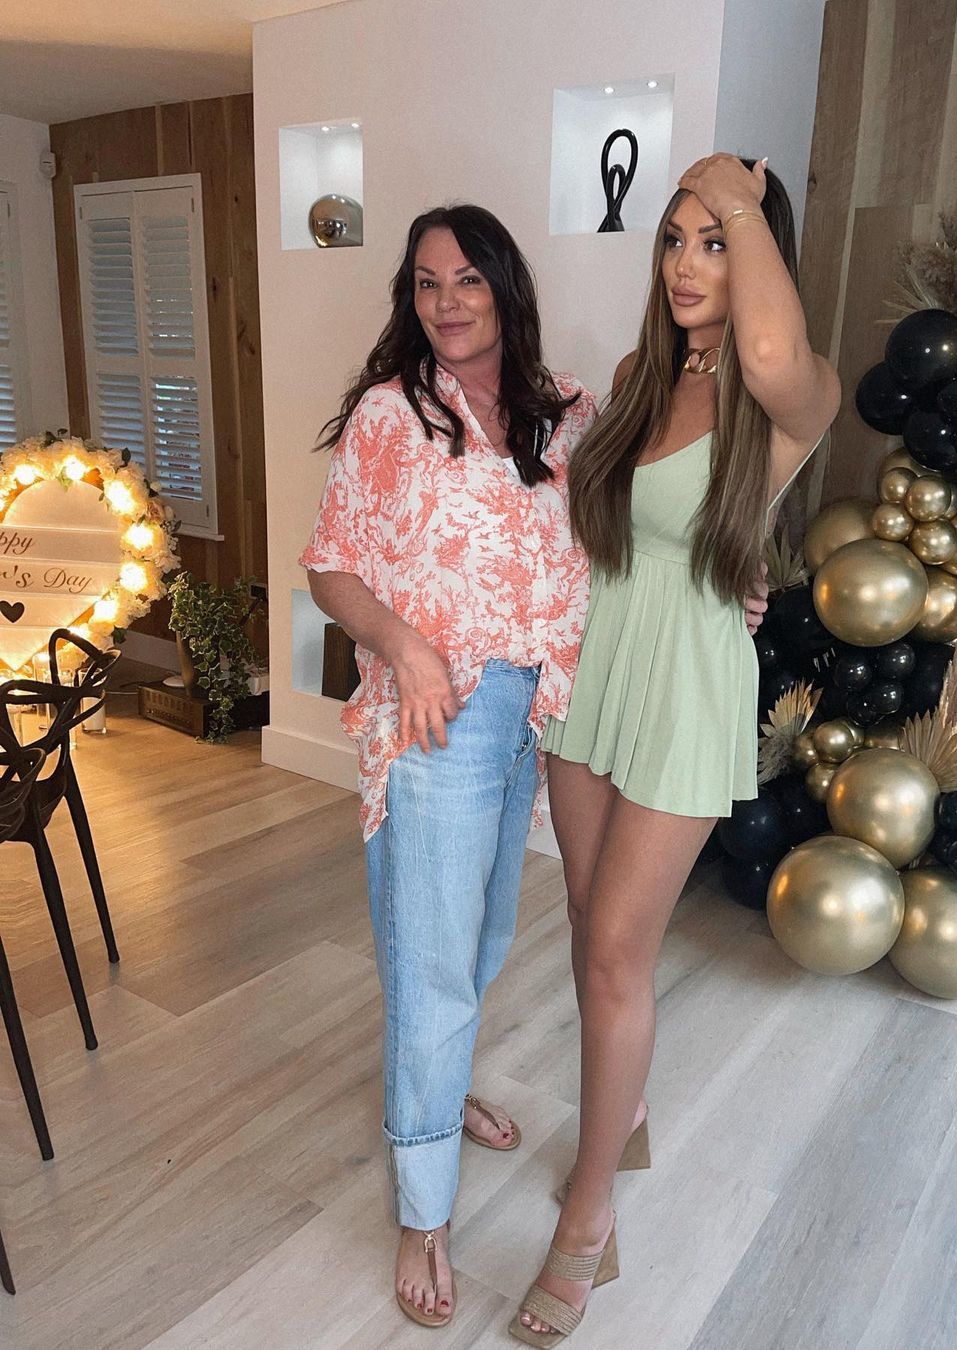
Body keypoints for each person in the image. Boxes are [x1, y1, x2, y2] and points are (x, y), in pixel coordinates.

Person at [513, 155, 841, 1344]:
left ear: (760, 253)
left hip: (687, 686)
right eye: (675, 239)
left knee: (616, 955)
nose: (688, 265)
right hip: (593, 667)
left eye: (718, 241)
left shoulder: (793, 394)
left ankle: (589, 1219)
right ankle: (628, 1111)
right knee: (583, 918)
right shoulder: (636, 378)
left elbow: (769, 349)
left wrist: (735, 193)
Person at [301, 204, 597, 1328]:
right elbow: (332, 568)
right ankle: (423, 1206)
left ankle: (440, 1089)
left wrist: (738, 585)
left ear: (505, 288)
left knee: (478, 939)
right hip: (437, 713)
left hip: (536, 711)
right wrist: (406, 645)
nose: (447, 301)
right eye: (427, 283)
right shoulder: (393, 412)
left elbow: (620, 538)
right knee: (431, 960)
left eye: (467, 278)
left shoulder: (564, 411)